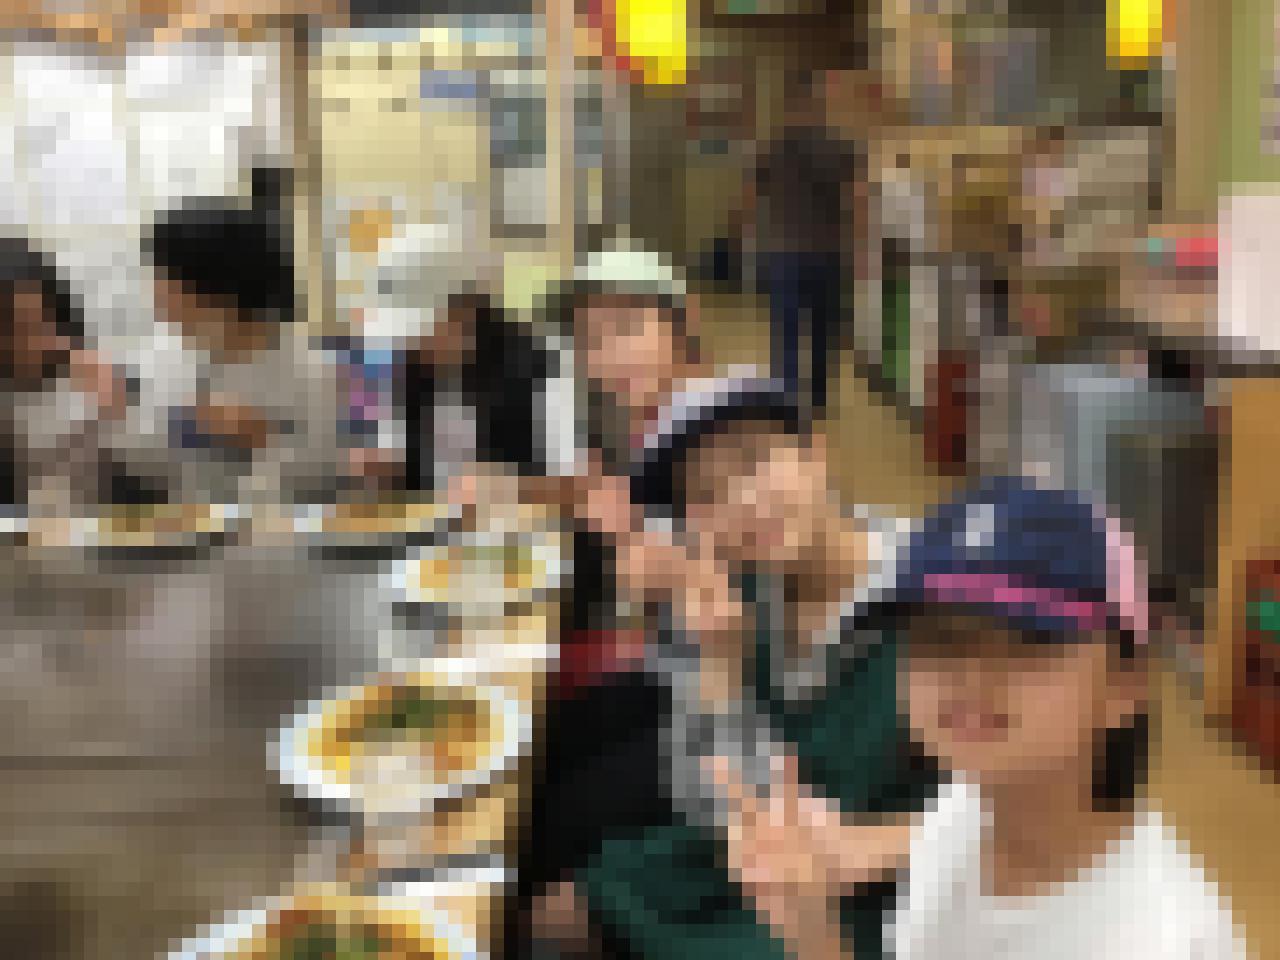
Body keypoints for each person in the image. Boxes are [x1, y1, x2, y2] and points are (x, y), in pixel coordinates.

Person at [712, 476, 1247, 959]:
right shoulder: (963, 810)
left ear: (1126, 685)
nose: (969, 678)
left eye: (1028, 639)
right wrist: (812, 929)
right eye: (938, 640)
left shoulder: (1163, 939)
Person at [532, 381, 937, 960]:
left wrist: (874, 844)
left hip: (869, 898)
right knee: (551, 916)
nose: (743, 502)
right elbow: (712, 801)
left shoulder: (936, 600)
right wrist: (716, 666)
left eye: (755, 461)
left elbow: (1034, 805)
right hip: (744, 844)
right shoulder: (743, 588)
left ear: (817, 453)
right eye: (707, 495)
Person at [141, 166, 338, 502]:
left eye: (169, 285)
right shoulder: (169, 362)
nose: (160, 304)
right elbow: (151, 468)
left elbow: (320, 484)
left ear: (224, 291)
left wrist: (261, 439)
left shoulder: (313, 374)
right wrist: (112, 413)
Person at [741, 70, 863, 415]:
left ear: (789, 107)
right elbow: (857, 199)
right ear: (817, 106)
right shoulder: (839, 147)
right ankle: (819, 400)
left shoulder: (774, 148)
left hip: (786, 253)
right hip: (828, 253)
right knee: (823, 332)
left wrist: (751, 235)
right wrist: (858, 246)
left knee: (787, 333)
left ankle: (788, 401)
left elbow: (750, 195)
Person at [0, 236, 128, 508]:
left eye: (45, 323)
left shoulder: (86, 376)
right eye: (19, 329)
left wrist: (114, 411)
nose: (42, 341)